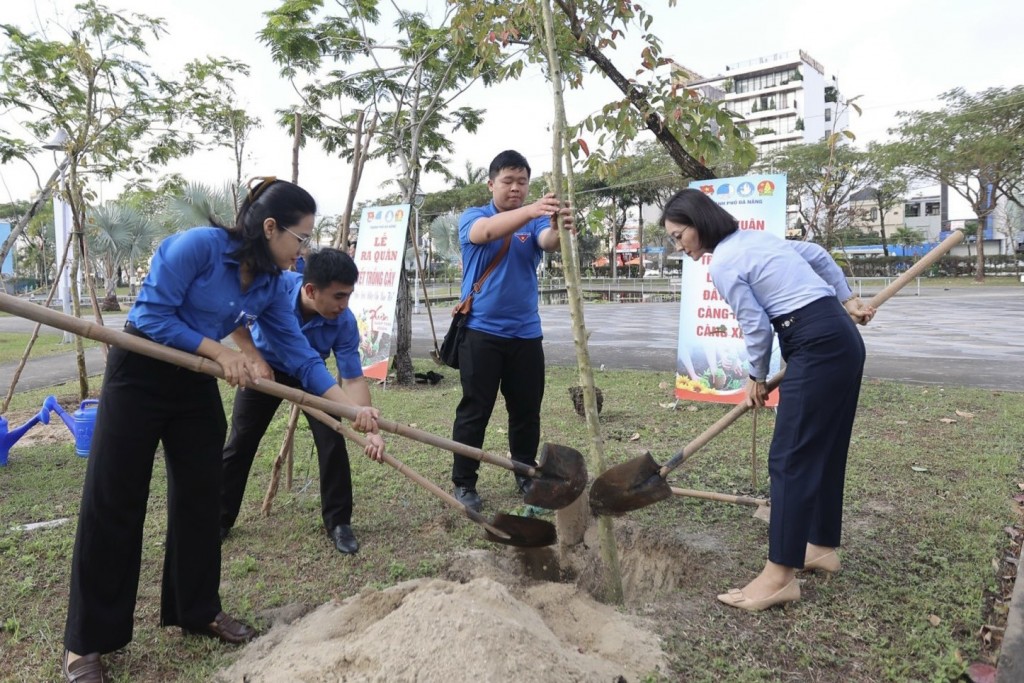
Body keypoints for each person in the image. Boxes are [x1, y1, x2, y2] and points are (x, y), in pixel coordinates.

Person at [61, 178, 382, 683]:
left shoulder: (275, 285)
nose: (304, 251)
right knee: (114, 500)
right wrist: (221, 352)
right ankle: (85, 646)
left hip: (193, 384)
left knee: (200, 497)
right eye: (301, 239)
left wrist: (348, 407)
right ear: (270, 227)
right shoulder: (197, 248)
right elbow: (150, 316)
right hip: (140, 370)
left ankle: (198, 610)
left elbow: (299, 355)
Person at [662, 188, 875, 612]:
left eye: (676, 235)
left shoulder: (723, 261)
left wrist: (755, 377)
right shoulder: (755, 239)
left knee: (789, 458)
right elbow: (814, 252)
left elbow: (756, 326)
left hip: (814, 341)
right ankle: (820, 545)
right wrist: (846, 297)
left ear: (698, 224)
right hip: (839, 336)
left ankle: (779, 576)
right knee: (826, 448)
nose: (677, 246)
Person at [220, 247, 384, 554]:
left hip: (313, 377)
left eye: (349, 296)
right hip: (265, 372)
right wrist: (252, 358)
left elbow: (352, 377)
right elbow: (235, 318)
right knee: (240, 442)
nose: (344, 305)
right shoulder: (275, 287)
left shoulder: (345, 321)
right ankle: (219, 519)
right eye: (338, 296)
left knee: (333, 439)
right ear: (310, 289)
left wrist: (370, 427)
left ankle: (338, 522)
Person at [449, 150, 574, 512]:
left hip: (525, 335)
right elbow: (485, 233)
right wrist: (533, 210)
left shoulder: (533, 222)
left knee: (526, 410)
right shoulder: (474, 217)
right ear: (491, 184)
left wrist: (556, 226)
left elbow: (546, 242)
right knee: (475, 410)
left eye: (522, 182)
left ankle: (524, 472)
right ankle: (464, 481)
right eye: (508, 181)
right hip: (480, 333)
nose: (516, 188)